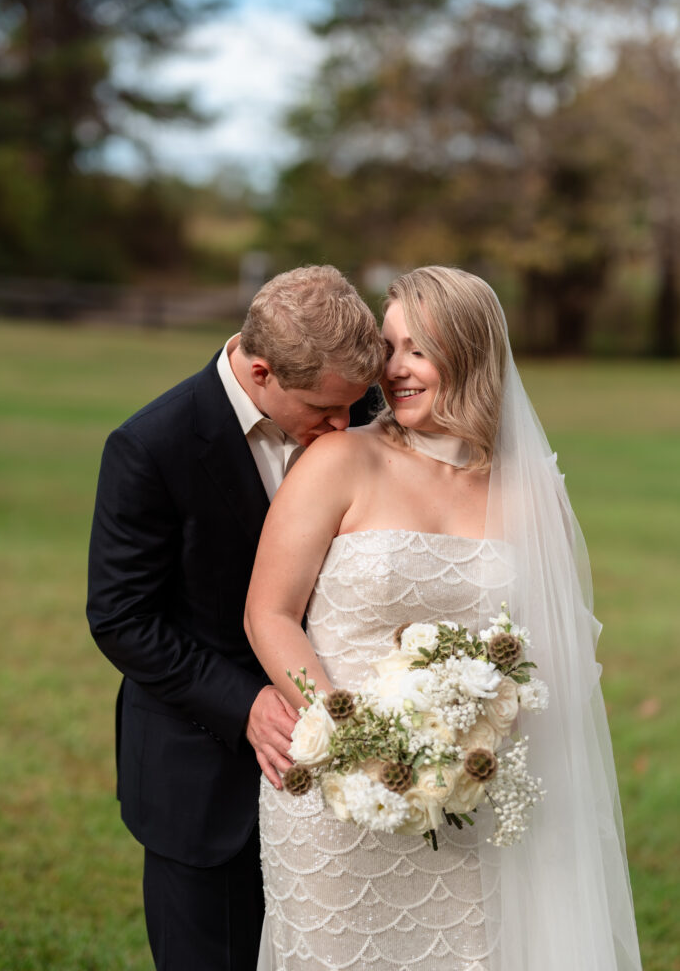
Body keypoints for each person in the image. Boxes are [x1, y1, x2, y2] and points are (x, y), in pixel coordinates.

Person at [245, 266, 643, 971]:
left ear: (469, 354)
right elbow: (269, 613)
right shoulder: (340, 459)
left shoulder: (531, 489)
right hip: (333, 802)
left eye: (416, 350)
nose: (392, 370)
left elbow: (554, 645)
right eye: (388, 347)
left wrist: (476, 737)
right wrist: (346, 729)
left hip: (468, 799)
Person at [86, 265, 385, 971]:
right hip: (201, 776)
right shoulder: (150, 446)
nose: (345, 427)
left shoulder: (365, 407)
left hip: (360, 772)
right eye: (324, 410)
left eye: (354, 405)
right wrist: (242, 700)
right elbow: (122, 616)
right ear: (259, 370)